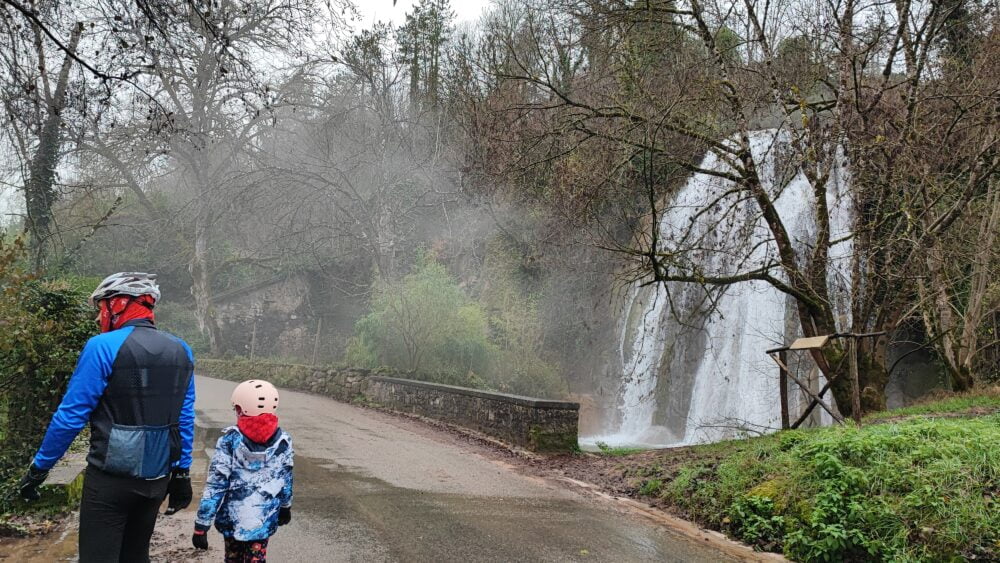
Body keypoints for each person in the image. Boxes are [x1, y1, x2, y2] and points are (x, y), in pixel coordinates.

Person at [17, 272, 196, 563]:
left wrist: (40, 468)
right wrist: (182, 473)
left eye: (102, 306)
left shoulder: (102, 347)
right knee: (136, 557)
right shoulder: (181, 349)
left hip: (111, 480)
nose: (100, 314)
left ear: (119, 304)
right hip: (157, 480)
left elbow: (71, 416)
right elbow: (184, 417)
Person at [193, 379, 294, 563]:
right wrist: (285, 506)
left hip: (233, 520)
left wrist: (202, 523)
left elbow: (216, 485)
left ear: (240, 410)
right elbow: (285, 478)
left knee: (232, 559)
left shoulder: (229, 441)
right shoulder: (284, 441)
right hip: (262, 521)